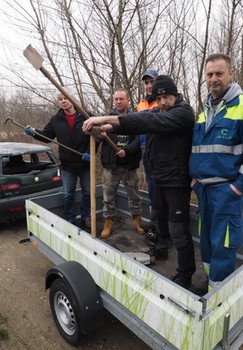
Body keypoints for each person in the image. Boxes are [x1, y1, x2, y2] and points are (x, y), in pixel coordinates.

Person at [83, 75, 196, 290]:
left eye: (167, 97)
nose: (163, 102)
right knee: (158, 219)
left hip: (176, 182)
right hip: (159, 179)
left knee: (178, 229)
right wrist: (107, 126)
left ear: (175, 94)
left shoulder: (183, 113)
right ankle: (161, 249)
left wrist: (101, 119)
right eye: (159, 97)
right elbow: (136, 120)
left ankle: (185, 273)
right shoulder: (158, 111)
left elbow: (146, 122)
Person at [189, 53, 243, 289]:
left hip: (226, 191)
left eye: (219, 73)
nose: (214, 79)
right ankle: (209, 284)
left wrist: (236, 188)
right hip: (203, 191)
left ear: (231, 74)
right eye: (210, 74)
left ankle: (219, 296)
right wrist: (194, 180)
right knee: (206, 243)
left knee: (223, 246)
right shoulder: (205, 112)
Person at [25, 92, 93, 229]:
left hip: (85, 164)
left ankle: (86, 217)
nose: (63, 101)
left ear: (72, 99)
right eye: (60, 99)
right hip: (67, 165)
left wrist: (91, 153)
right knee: (68, 194)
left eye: (65, 98)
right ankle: (70, 220)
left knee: (87, 193)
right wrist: (34, 132)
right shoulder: (56, 119)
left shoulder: (87, 116)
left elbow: (97, 136)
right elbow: (47, 135)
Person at [98, 88, 143, 239]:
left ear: (128, 100)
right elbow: (96, 139)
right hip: (111, 166)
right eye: (116, 99)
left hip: (129, 165)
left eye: (121, 99)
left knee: (134, 195)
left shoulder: (134, 118)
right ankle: (108, 221)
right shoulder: (106, 118)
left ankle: (137, 221)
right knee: (108, 196)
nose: (118, 101)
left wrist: (127, 151)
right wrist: (101, 135)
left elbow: (138, 140)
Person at [136, 69, 160, 246]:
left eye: (152, 82)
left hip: (160, 151)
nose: (149, 86)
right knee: (151, 188)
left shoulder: (163, 102)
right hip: (145, 151)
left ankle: (162, 226)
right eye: (146, 83)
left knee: (161, 189)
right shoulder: (141, 104)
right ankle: (154, 223)